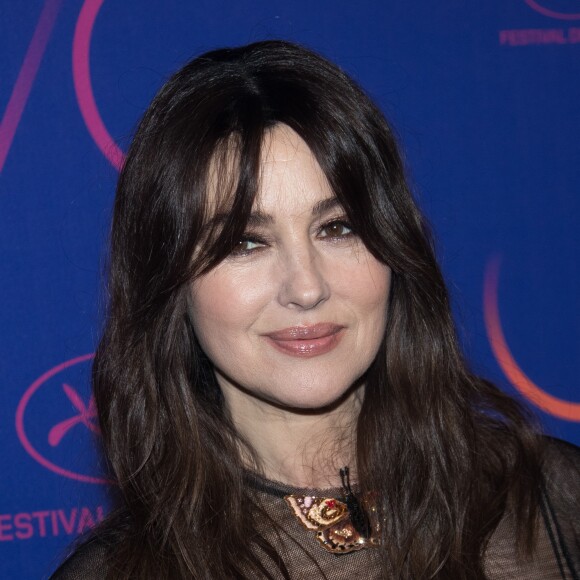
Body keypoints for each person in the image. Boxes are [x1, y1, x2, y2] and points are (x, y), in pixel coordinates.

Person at [51, 40, 579, 579]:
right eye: (244, 242)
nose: (306, 288)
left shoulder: (556, 502)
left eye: (338, 228)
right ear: (171, 284)